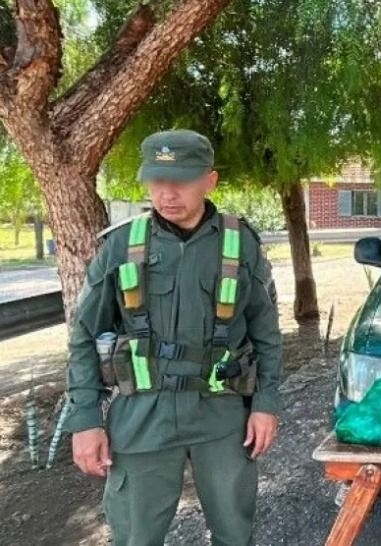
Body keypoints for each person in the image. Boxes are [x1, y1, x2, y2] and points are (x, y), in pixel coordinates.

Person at [64, 129, 282, 546]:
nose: (167, 193)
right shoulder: (122, 245)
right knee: (136, 537)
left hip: (221, 416)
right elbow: (84, 337)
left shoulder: (240, 244)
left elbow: (266, 334)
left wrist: (267, 405)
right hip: (142, 418)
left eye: (181, 180)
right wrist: (86, 420)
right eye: (157, 181)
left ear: (210, 180)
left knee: (235, 535)